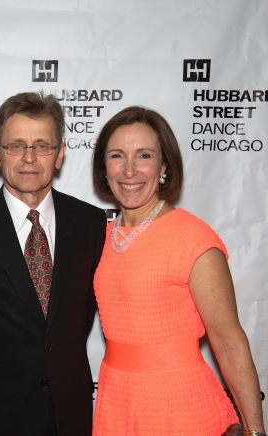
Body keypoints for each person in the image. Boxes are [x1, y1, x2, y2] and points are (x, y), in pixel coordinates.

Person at [0, 91, 107, 435]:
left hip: (67, 413)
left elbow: (82, 314)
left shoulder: (90, 223)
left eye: (42, 145)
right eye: (15, 146)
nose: (29, 157)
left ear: (60, 154)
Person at [91, 106, 265, 435]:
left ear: (164, 167)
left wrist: (255, 432)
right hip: (116, 401)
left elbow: (229, 343)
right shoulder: (98, 237)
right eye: (117, 155)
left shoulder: (193, 238)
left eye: (143, 155)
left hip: (181, 406)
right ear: (104, 166)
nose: (129, 170)